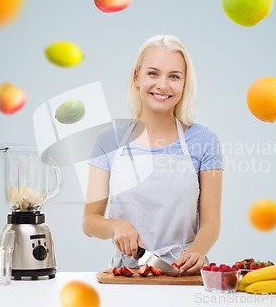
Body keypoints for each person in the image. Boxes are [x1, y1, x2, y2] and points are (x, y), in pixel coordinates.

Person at [82, 35, 223, 275]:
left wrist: (196, 252)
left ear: (184, 84)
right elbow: (90, 222)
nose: (163, 85)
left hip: (184, 274)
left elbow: (211, 221)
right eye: (153, 73)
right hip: (129, 275)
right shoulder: (108, 141)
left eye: (174, 76)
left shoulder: (204, 141)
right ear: (137, 77)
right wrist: (118, 226)